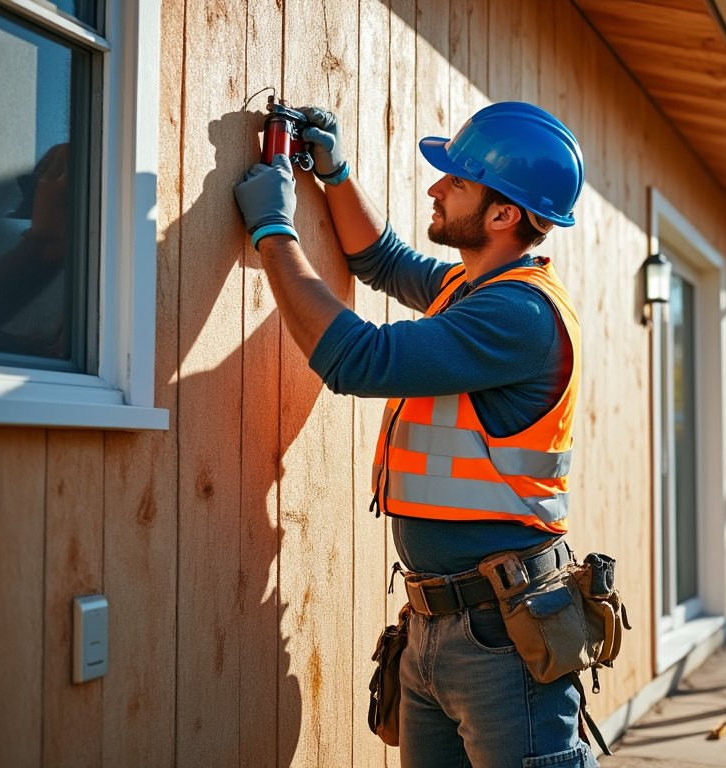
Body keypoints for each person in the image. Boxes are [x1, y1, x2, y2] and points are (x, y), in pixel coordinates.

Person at [233, 101, 595, 768]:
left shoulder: (518, 314)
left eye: (455, 182)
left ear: (502, 214)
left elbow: (360, 359)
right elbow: (384, 261)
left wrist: (273, 231)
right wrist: (334, 174)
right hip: (434, 625)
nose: (435, 188)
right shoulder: (470, 286)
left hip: (502, 635)